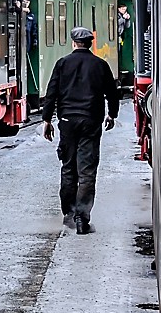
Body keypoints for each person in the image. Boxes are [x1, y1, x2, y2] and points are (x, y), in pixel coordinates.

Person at [41, 26, 120, 234]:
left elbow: (51, 93)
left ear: (73, 43)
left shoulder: (62, 64)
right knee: (87, 171)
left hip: (67, 121)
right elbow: (112, 93)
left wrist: (47, 120)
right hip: (91, 121)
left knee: (68, 168)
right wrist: (112, 115)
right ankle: (82, 219)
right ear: (91, 43)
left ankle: (68, 213)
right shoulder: (100, 65)